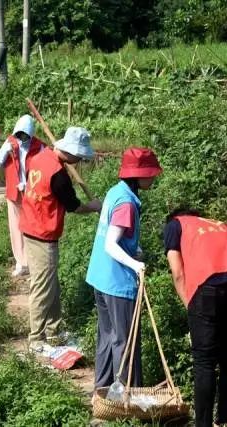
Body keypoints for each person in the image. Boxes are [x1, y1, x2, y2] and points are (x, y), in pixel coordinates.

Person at [163, 209, 227, 427]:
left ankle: (203, 424)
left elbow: (177, 272)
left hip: (207, 290)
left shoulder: (175, 224)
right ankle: (226, 420)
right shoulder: (221, 223)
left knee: (204, 362)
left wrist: (190, 306)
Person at [85, 147, 162, 391]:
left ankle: (103, 390)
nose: (153, 177)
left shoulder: (116, 192)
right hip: (117, 282)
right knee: (126, 341)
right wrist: (136, 264)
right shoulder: (127, 203)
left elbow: (115, 235)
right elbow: (111, 244)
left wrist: (133, 249)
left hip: (100, 277)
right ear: (138, 175)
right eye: (150, 173)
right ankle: (127, 397)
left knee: (108, 337)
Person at [20, 127, 102, 350]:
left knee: (51, 284)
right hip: (42, 233)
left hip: (30, 224)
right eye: (80, 157)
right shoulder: (59, 175)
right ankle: (36, 339)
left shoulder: (39, 157)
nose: (79, 160)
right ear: (72, 152)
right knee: (42, 286)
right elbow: (73, 206)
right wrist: (93, 206)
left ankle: (54, 330)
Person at [0, 115, 46, 277]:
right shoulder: (10, 142)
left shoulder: (40, 146)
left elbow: (46, 167)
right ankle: (20, 262)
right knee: (16, 226)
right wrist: (6, 151)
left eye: (25, 135)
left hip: (32, 193)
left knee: (32, 226)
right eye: (19, 134)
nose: (21, 138)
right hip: (14, 192)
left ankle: (32, 261)